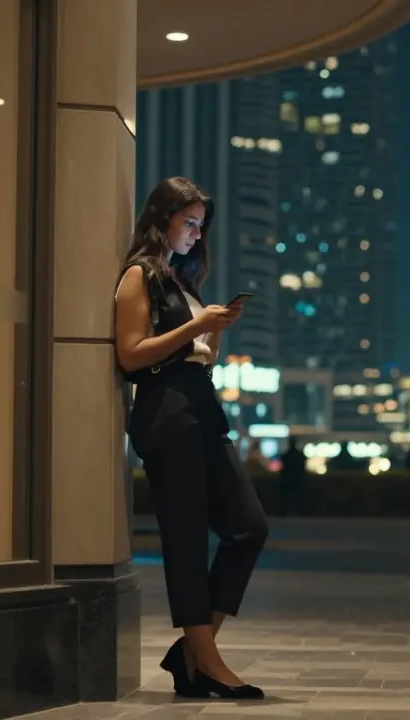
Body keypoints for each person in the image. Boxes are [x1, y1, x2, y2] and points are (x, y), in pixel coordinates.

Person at [115, 176, 268, 700]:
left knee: (248, 527)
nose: (198, 235)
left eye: (202, 225)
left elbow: (196, 356)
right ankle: (208, 662)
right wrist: (195, 325)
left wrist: (214, 328)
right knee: (184, 540)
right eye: (190, 222)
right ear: (163, 219)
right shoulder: (140, 276)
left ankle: (192, 654)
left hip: (200, 407)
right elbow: (132, 354)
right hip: (165, 413)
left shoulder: (182, 281)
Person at [280, 436, 307, 515]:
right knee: (298, 496)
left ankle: (285, 511)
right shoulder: (299, 455)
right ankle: (300, 511)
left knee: (287, 497)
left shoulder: (286, 455)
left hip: (287, 480)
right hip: (298, 479)